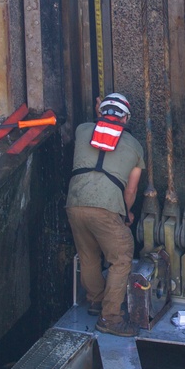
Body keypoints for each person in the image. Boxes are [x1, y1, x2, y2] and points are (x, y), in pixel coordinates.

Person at [66, 93, 145, 337]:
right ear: (126, 118)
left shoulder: (82, 130)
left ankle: (96, 301)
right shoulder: (134, 146)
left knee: (88, 255)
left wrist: (99, 109)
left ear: (100, 112)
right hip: (107, 205)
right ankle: (111, 318)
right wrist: (126, 213)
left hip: (75, 202)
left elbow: (98, 125)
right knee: (121, 257)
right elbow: (131, 190)